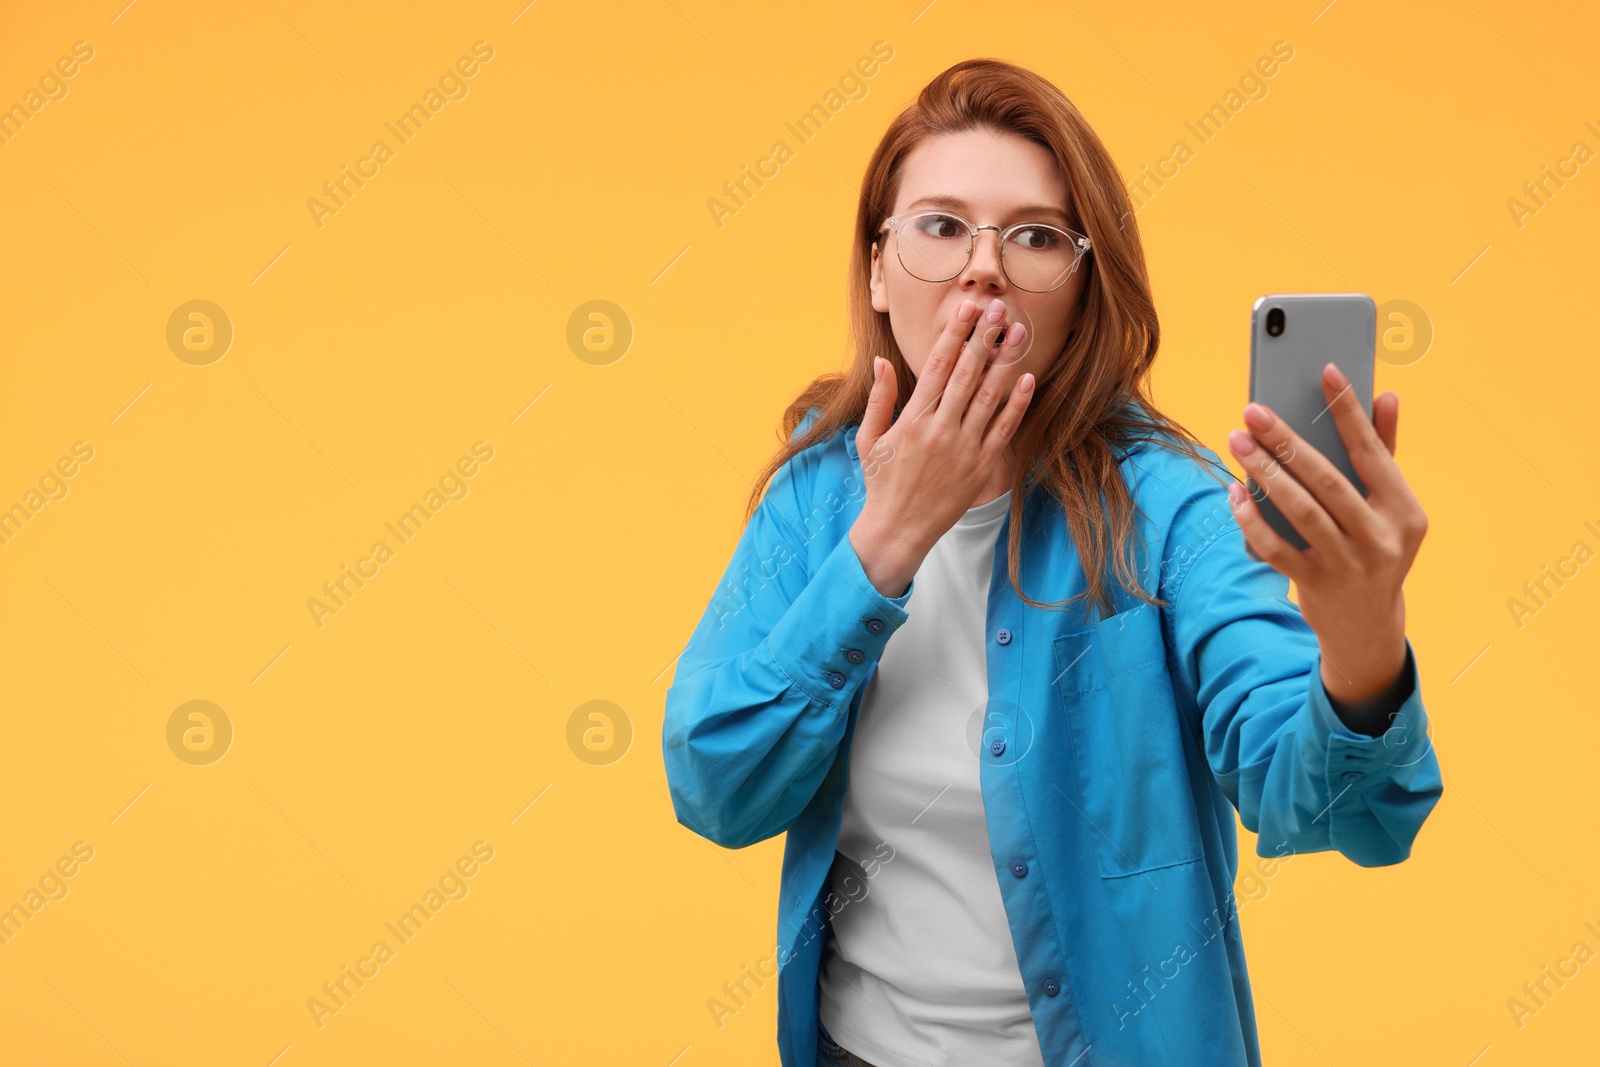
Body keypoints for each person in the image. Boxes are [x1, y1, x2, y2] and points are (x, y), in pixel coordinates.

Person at [662, 57, 1441, 1067]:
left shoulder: (1172, 506)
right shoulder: (814, 500)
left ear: (1079, 287)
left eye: (1033, 235)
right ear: (875, 266)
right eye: (940, 226)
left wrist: (1360, 629)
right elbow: (717, 786)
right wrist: (887, 541)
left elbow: (1345, 814)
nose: (982, 267)